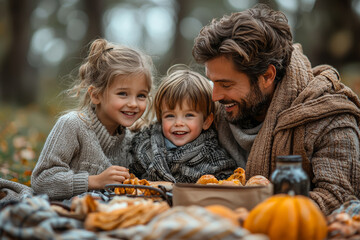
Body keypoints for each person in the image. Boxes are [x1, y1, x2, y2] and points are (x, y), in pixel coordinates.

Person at [192, 4, 360, 215]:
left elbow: (337, 199)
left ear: (267, 76)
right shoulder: (212, 112)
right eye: (213, 82)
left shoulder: (330, 117)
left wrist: (253, 214)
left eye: (226, 85)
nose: (215, 96)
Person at [31, 38, 154, 201]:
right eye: (123, 94)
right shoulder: (72, 125)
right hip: (63, 208)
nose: (133, 104)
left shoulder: (131, 139)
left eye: (141, 96)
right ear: (96, 95)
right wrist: (94, 181)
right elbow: (41, 181)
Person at [129, 66, 237, 183]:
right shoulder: (144, 147)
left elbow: (225, 186)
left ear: (206, 121)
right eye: (170, 116)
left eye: (189, 115)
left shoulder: (214, 159)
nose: (179, 123)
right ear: (161, 119)